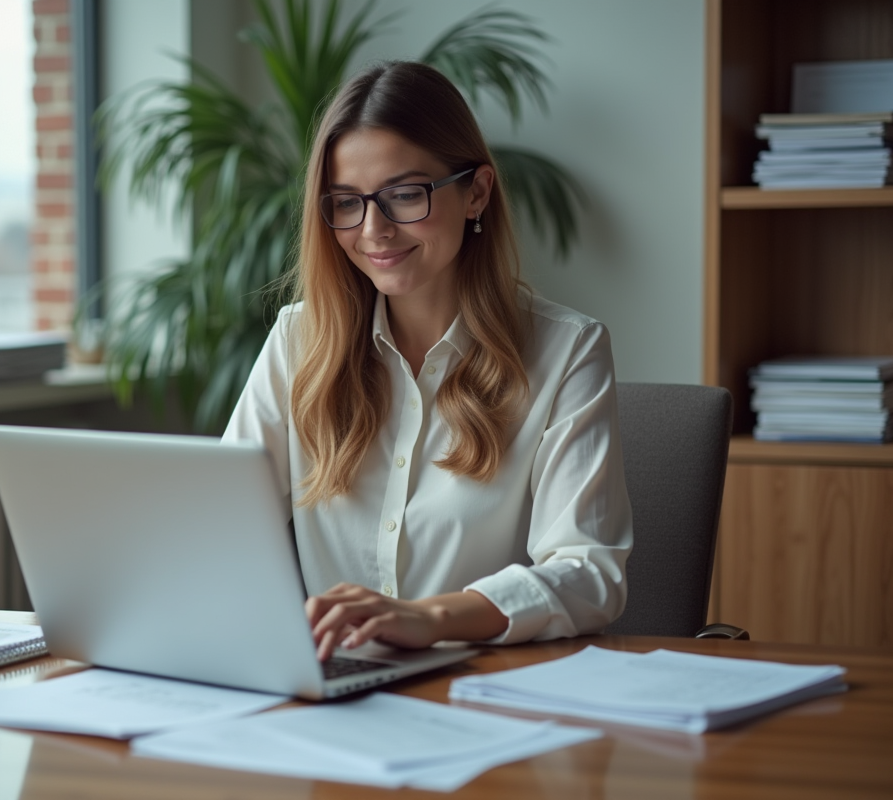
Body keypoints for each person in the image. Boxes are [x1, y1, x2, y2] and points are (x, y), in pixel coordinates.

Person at [222, 61, 632, 661]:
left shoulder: (568, 351)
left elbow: (590, 574)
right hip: (330, 698)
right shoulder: (298, 341)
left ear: (477, 192)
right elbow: (217, 528)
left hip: (487, 694)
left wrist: (427, 618)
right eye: (346, 203)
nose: (374, 230)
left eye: (405, 195)